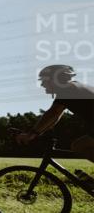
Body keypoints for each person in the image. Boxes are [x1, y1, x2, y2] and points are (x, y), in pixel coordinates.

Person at [17, 64, 94, 194]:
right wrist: (38, 132)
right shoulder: (73, 88)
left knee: (79, 145)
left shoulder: (68, 90)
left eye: (44, 81)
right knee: (80, 145)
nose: (42, 85)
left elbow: (52, 113)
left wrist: (32, 134)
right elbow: (56, 117)